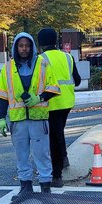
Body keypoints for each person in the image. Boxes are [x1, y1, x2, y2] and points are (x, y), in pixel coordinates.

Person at [0, 32, 60, 196]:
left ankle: (45, 186)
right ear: (16, 47)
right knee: (21, 155)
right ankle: (25, 186)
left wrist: (39, 98)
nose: (24, 49)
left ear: (32, 47)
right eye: (21, 45)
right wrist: (2, 118)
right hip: (18, 120)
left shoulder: (42, 64)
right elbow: (3, 95)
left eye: (27, 45)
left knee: (42, 154)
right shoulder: (8, 67)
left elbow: (53, 87)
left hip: (38, 119)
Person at [37, 28, 81, 188]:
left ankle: (57, 175)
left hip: (51, 104)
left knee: (53, 139)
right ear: (56, 41)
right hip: (67, 103)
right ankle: (63, 158)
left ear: (40, 43)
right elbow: (77, 80)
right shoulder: (68, 57)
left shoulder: (41, 59)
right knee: (58, 132)